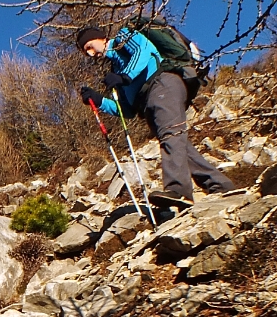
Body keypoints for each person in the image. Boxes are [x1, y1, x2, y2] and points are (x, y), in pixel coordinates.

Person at [76, 24, 234, 203]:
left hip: (162, 84)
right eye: (85, 51)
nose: (90, 53)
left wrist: (125, 77)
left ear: (101, 38)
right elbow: (127, 109)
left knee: (171, 135)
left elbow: (143, 50)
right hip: (146, 103)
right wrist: (100, 101)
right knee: (178, 144)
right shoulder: (115, 69)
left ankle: (178, 189)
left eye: (89, 46)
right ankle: (220, 185)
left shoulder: (124, 36)